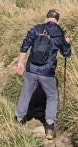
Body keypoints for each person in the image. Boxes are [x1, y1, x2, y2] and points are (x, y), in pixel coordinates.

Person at [14, 9, 72, 139]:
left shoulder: (37, 29)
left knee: (26, 94)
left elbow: (25, 45)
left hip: (31, 70)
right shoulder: (59, 33)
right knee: (52, 96)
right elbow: (66, 54)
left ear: (46, 18)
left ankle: (18, 120)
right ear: (57, 20)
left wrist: (20, 63)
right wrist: (67, 43)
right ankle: (50, 127)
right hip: (47, 73)